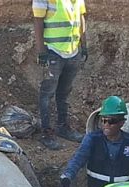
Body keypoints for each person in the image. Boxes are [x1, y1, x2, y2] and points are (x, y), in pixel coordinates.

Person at [59, 95, 129, 187]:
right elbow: (78, 159)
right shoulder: (92, 139)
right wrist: (68, 175)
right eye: (103, 120)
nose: (106, 124)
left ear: (121, 122)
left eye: (111, 121)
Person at [33, 0, 87, 150]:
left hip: (73, 52)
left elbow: (81, 19)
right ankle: (46, 133)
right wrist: (41, 52)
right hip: (53, 51)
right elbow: (38, 22)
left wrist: (84, 45)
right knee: (47, 94)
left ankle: (63, 127)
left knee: (64, 93)